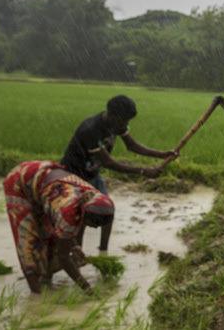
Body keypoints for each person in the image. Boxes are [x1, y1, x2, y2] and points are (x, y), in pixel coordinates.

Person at [60, 95, 176, 251]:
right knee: (82, 217)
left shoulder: (117, 123)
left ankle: (104, 252)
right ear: (112, 115)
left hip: (92, 174)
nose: (126, 124)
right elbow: (109, 163)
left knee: (108, 211)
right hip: (74, 175)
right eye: (124, 120)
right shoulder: (91, 129)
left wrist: (162, 154)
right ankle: (77, 254)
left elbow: (132, 146)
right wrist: (143, 171)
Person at [3, 160, 115, 293]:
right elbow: (63, 257)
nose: (95, 228)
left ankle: (46, 280)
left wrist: (74, 246)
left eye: (98, 225)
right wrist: (86, 288)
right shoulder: (68, 211)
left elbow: (64, 231)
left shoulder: (94, 198)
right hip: (21, 182)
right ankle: (37, 296)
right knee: (28, 244)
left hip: (45, 184)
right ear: (84, 213)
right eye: (93, 223)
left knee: (50, 240)